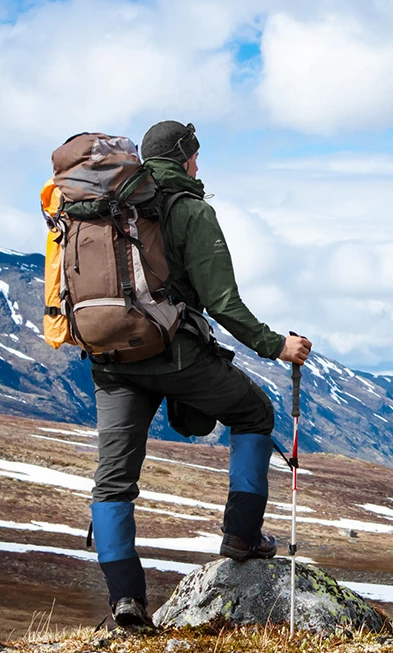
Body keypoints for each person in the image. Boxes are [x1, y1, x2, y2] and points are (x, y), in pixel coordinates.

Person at [89, 121, 312, 627]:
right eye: (195, 156)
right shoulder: (190, 209)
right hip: (176, 356)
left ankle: (126, 600)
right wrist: (276, 345)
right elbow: (222, 301)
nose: (199, 165)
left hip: (112, 360)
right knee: (254, 412)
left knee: (113, 482)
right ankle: (242, 535)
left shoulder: (104, 211)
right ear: (185, 158)